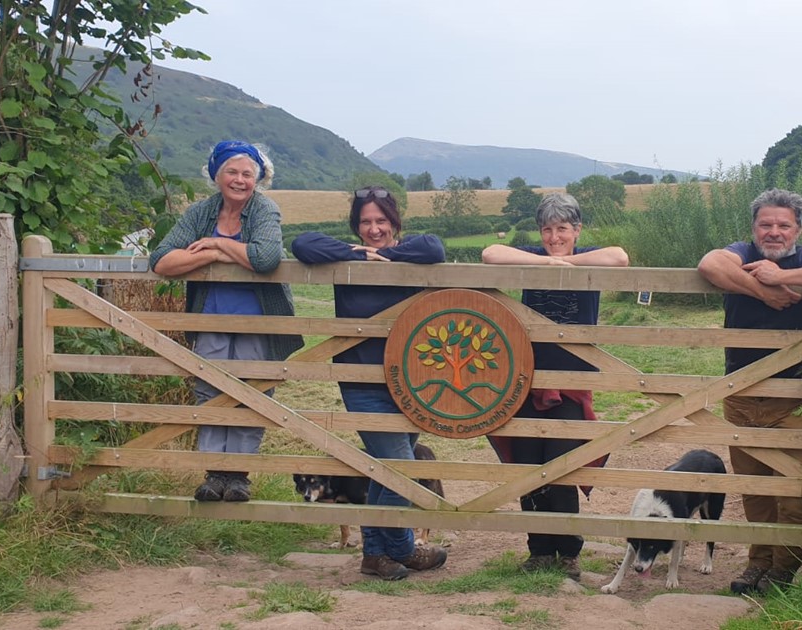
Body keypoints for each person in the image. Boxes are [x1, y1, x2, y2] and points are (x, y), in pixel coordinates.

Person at [697, 188, 802, 595]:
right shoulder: (738, 252)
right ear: (753, 228)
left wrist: (781, 277)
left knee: (793, 489)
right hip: (740, 389)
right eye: (765, 224)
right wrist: (763, 290)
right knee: (754, 486)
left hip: (792, 394)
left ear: (797, 229)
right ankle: (759, 563)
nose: (773, 232)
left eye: (783, 225)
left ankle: (784, 570)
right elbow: (710, 263)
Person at [290, 185, 449, 581]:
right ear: (355, 226)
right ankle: (403, 549)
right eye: (365, 222)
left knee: (383, 469)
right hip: (362, 381)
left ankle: (374, 556)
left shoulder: (409, 252)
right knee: (400, 469)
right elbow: (301, 243)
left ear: (394, 222)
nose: (374, 230)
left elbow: (435, 249)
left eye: (381, 221)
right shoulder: (348, 257)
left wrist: (388, 255)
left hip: (413, 382)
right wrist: (354, 253)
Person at [482, 192, 629, 580]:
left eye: (562, 229)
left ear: (577, 229)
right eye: (547, 229)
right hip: (526, 377)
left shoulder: (591, 253)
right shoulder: (534, 254)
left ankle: (569, 552)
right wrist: (547, 262)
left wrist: (567, 262)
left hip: (572, 378)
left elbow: (620, 257)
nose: (554, 237)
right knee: (527, 462)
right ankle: (540, 550)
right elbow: (490, 254)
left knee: (562, 464)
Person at [149, 140, 304, 503]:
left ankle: (238, 476)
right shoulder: (202, 212)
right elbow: (161, 261)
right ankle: (214, 473)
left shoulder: (265, 209)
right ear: (216, 175)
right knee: (210, 391)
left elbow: (265, 258)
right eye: (231, 172)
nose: (239, 180)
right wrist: (219, 255)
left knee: (251, 392)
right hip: (212, 316)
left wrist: (216, 247)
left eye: (247, 174)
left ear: (258, 178)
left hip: (259, 319)